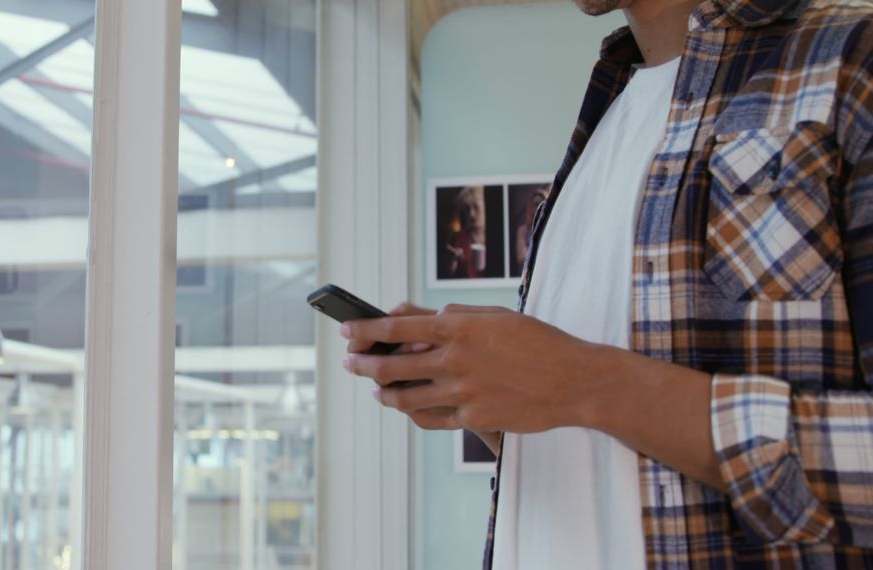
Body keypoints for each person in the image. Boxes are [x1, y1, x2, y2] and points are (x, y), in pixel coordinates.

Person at [339, 0, 873, 567]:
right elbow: (617, 461)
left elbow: (597, 391)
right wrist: (502, 410)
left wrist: (586, 383)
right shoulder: (609, 112)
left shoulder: (851, 60)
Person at [442, 185, 489, 279]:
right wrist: (452, 265)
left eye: (476, 207)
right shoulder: (457, 239)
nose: (471, 214)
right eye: (467, 209)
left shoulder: (498, 235)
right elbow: (449, 275)